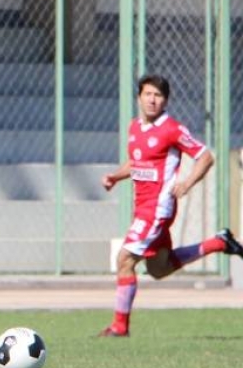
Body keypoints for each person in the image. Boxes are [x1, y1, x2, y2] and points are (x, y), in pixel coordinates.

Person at [99, 74, 243, 337]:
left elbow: (205, 156)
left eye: (159, 96)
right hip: (142, 207)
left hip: (157, 208)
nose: (153, 100)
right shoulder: (134, 128)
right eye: (148, 94)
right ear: (139, 97)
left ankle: (120, 327)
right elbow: (137, 162)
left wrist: (187, 183)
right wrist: (115, 177)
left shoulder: (172, 129)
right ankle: (219, 243)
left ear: (165, 100)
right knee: (158, 269)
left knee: (124, 259)